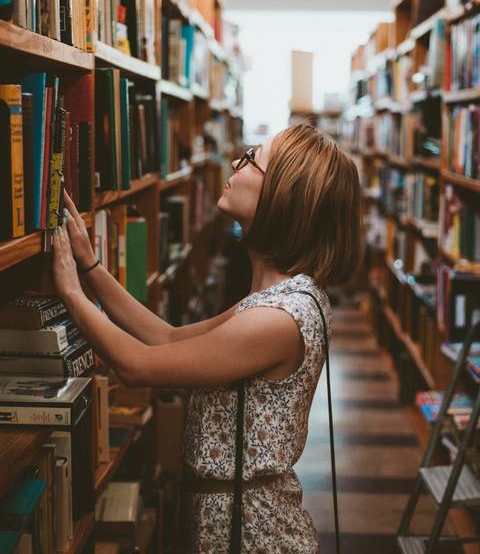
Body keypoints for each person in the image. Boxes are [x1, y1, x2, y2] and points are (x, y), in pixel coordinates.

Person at [53, 121, 364, 553]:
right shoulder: (279, 297)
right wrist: (90, 269)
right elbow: (167, 338)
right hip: (234, 518)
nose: (237, 162)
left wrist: (70, 292)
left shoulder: (277, 317)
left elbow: (137, 366)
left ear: (283, 196)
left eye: (253, 158)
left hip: (254, 533)